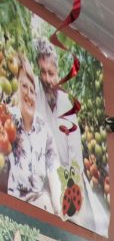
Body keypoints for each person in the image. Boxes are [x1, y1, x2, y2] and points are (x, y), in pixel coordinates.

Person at [34, 39, 90, 229]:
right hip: (43, 180)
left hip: (67, 181)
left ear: (59, 74)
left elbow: (75, 156)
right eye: (42, 72)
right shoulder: (36, 95)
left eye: (51, 73)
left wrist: (69, 190)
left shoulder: (67, 104)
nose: (47, 79)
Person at [0, 56, 62, 217]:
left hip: (41, 208)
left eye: (32, 90)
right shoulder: (7, 119)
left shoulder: (44, 129)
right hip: (12, 209)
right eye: (24, 87)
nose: (28, 94)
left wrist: (59, 210)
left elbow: (53, 167)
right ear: (16, 90)